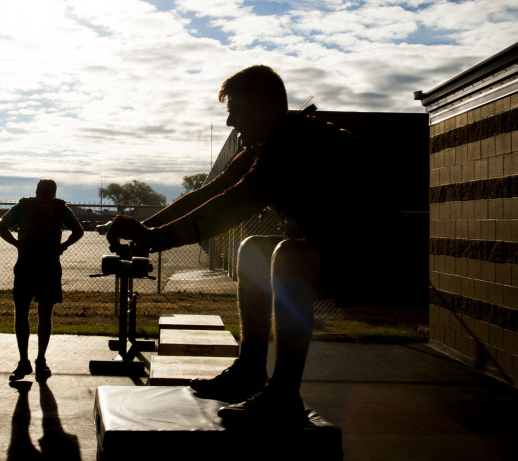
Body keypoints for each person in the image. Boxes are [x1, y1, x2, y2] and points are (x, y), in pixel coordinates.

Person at [106, 65, 361, 428]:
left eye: (235, 110)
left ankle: (285, 393)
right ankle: (251, 370)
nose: (229, 122)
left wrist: (154, 239)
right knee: (253, 248)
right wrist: (146, 228)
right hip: (332, 247)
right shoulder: (262, 143)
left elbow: (233, 205)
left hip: (378, 257)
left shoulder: (291, 140)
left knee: (288, 255)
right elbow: (209, 194)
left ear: (264, 107)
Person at [0, 179, 84, 381]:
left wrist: (63, 246)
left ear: (52, 194)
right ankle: (25, 361)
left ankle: (39, 360)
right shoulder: (25, 207)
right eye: (42, 198)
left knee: (44, 313)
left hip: (47, 266)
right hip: (29, 265)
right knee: (24, 312)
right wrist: (17, 243)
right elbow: (0, 226)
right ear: (37, 192)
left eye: (47, 198)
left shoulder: (60, 208)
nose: (44, 202)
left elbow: (78, 231)